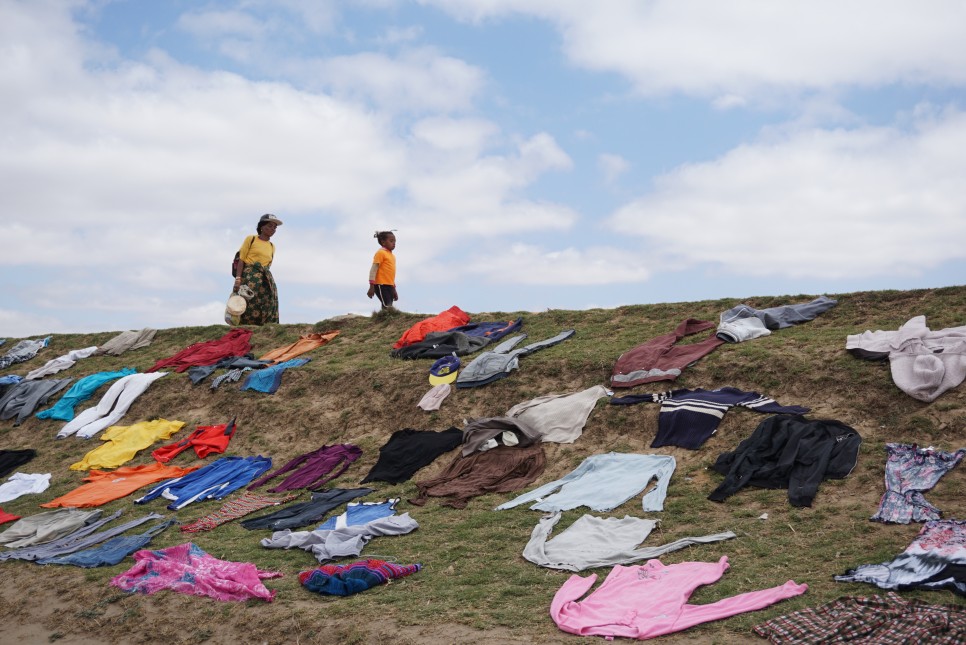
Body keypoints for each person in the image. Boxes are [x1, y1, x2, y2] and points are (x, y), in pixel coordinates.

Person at [233, 214, 282, 325]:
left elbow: (268, 264)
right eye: (270, 226)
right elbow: (242, 260)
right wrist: (238, 279)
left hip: (265, 277)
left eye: (275, 227)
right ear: (261, 226)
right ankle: (245, 325)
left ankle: (265, 326)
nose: (272, 229)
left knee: (267, 301)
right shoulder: (251, 239)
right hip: (250, 276)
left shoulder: (272, 246)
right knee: (248, 300)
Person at [367, 230, 398, 309]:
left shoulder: (392, 256)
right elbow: (373, 269)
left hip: (390, 285)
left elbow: (390, 274)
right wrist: (371, 286)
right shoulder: (381, 253)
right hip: (381, 284)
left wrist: (394, 289)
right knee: (387, 306)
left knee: (388, 305)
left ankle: (382, 319)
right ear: (383, 242)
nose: (394, 243)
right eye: (391, 241)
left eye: (394, 241)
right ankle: (386, 320)